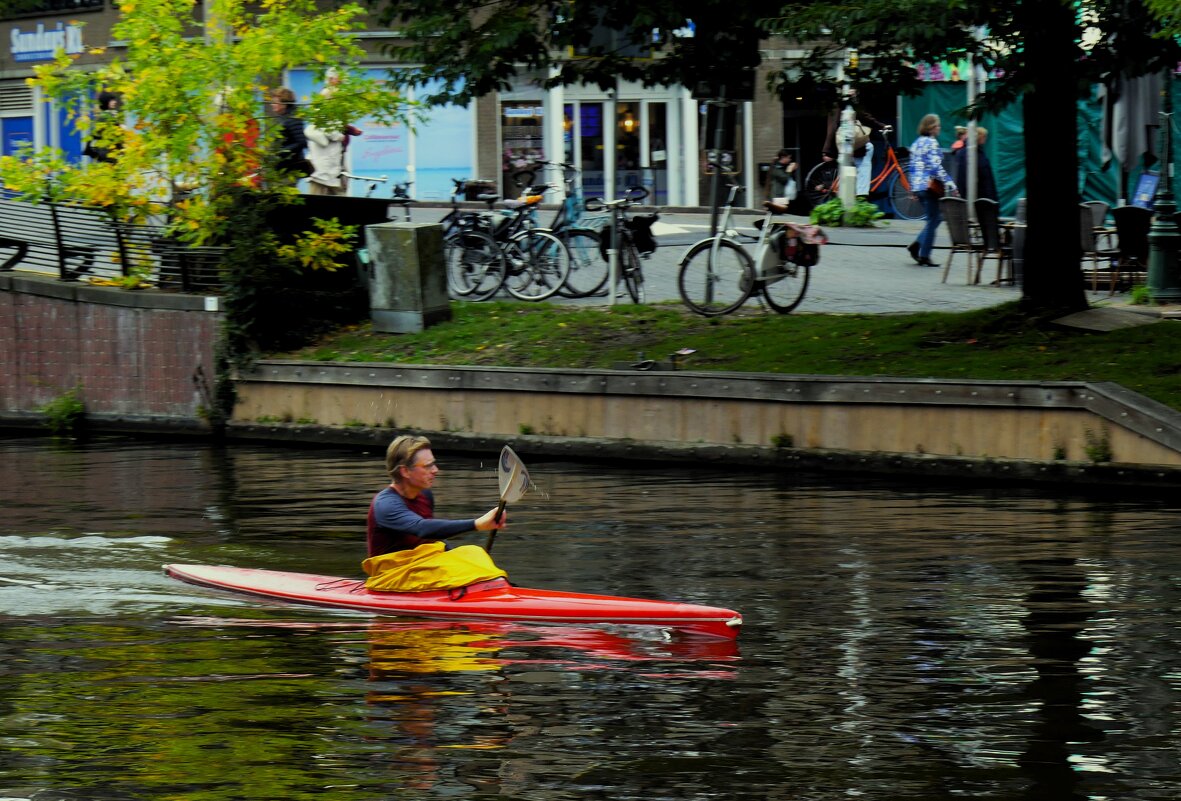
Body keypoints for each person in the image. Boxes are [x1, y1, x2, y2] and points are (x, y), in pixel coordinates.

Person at [366, 434, 505, 558]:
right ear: (405, 471)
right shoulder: (385, 504)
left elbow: (431, 538)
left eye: (434, 464)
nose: (435, 470)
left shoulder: (425, 495)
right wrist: (477, 524)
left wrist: (457, 557)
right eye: (428, 466)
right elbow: (422, 528)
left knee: (475, 555)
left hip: (421, 566)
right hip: (389, 577)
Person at [906, 113, 957, 267]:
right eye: (938, 125)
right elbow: (936, 167)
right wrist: (950, 183)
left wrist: (913, 189)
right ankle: (924, 255)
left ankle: (917, 246)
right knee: (934, 219)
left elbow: (912, 167)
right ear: (933, 128)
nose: (939, 128)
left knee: (933, 218)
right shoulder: (932, 143)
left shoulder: (916, 143)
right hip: (929, 186)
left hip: (919, 186)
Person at [821, 101, 887, 198]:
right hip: (851, 146)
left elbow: (832, 128)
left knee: (849, 168)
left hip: (842, 147)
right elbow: (865, 117)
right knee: (868, 151)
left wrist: (827, 151)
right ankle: (862, 195)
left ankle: (850, 193)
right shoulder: (849, 105)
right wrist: (882, 126)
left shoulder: (835, 105)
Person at [268, 87, 309, 181]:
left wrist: (282, 152)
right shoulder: (283, 117)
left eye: (275, 102)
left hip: (291, 167)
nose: (272, 105)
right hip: (282, 166)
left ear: (284, 104)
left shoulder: (293, 118)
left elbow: (302, 142)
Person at [950, 126, 998, 203]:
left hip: (967, 194)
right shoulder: (976, 154)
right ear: (981, 137)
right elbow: (985, 177)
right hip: (977, 196)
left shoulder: (963, 152)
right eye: (984, 137)